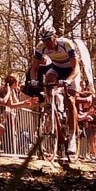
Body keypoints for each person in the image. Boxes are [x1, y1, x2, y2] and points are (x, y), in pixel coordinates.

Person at [28, 26, 80, 155]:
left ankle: (72, 136)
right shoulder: (41, 47)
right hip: (56, 67)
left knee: (70, 100)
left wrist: (68, 81)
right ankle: (50, 105)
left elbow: (76, 68)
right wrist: (34, 80)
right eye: (44, 40)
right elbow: (34, 69)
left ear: (55, 37)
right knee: (49, 78)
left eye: (49, 40)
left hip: (71, 70)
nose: (47, 43)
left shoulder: (66, 44)